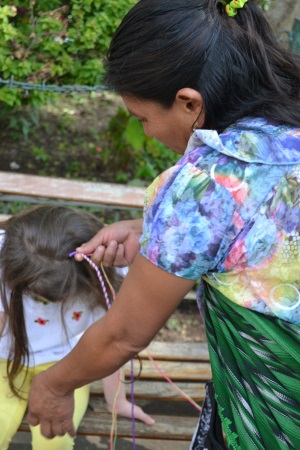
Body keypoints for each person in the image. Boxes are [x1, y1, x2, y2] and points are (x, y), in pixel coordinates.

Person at [27, 0, 300, 449]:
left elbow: (123, 335)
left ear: (189, 101)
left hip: (272, 424)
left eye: (143, 119)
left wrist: (53, 386)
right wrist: (150, 231)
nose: (148, 132)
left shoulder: (205, 184)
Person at [0, 205, 154, 450]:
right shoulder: (8, 255)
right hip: (7, 361)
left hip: (68, 368)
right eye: (35, 296)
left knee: (55, 441)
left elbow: (109, 342)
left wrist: (117, 402)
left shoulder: (105, 272)